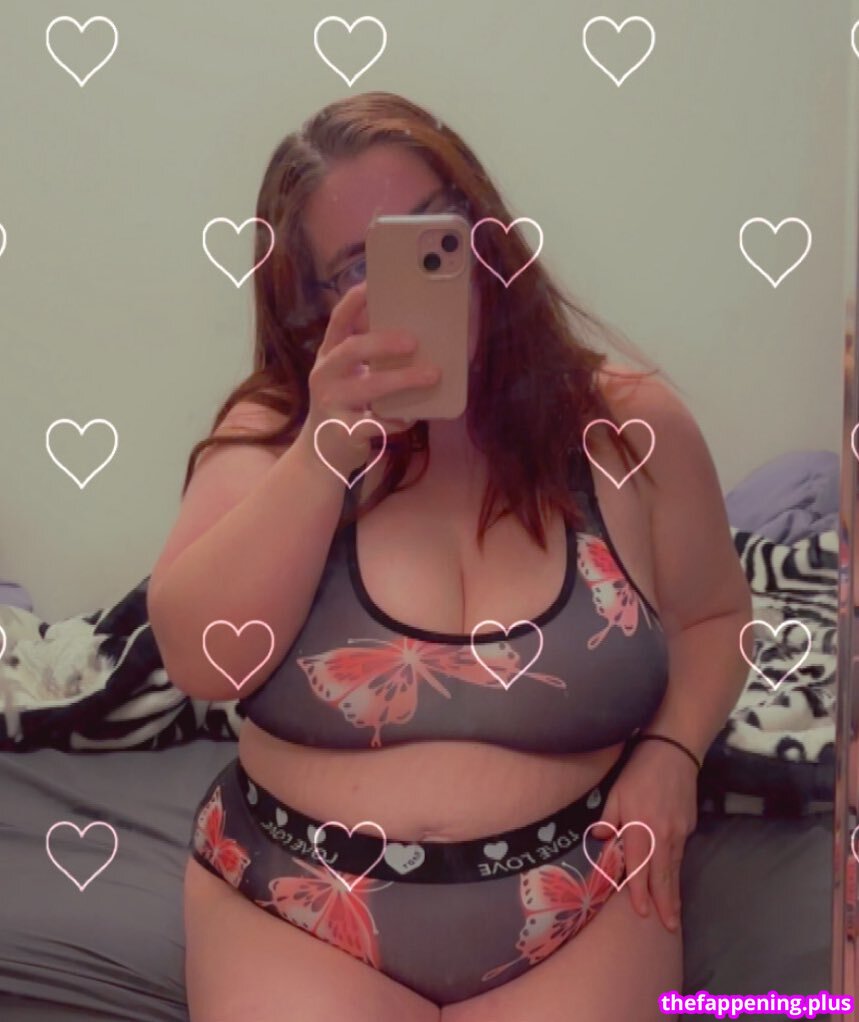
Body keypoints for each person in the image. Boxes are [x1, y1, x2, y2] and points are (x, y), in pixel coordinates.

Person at [147, 91, 753, 1022]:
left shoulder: (624, 423)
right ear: (307, 306)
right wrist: (323, 453)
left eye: (437, 229)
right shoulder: (274, 435)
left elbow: (715, 616)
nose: (425, 274)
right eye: (360, 265)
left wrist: (673, 752)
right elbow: (199, 659)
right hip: (295, 910)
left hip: (581, 902)